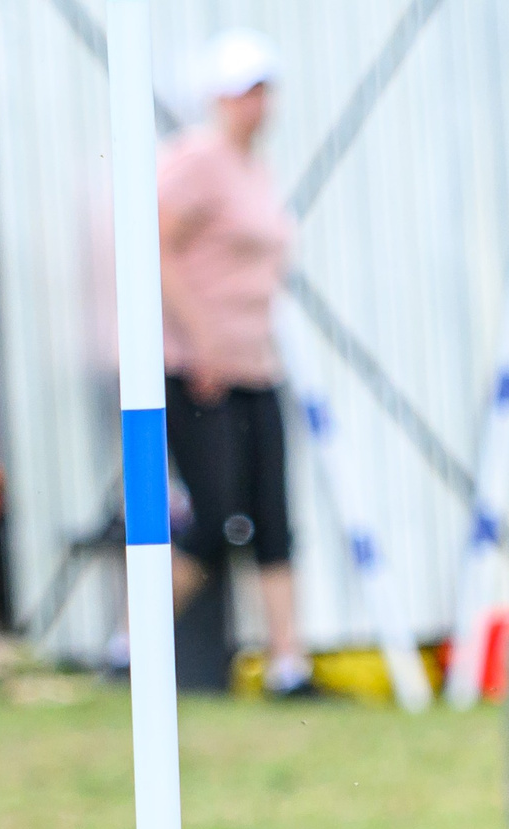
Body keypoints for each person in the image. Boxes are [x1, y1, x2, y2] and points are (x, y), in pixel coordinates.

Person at [157, 28, 309, 696]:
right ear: (219, 97)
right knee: (216, 515)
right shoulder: (196, 161)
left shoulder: (258, 170)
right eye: (247, 91)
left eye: (264, 90)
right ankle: (134, 644)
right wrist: (202, 337)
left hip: (257, 364)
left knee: (272, 514)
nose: (259, 104)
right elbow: (153, 248)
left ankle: (287, 663)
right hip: (201, 368)